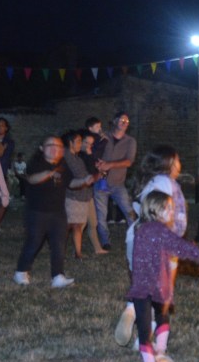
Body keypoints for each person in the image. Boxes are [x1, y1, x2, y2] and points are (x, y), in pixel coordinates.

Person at [115, 145, 188, 362]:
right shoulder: (166, 183)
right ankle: (150, 343)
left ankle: (132, 311)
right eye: (177, 160)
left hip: (136, 238)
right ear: (169, 163)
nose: (180, 164)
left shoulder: (146, 182)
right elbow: (163, 215)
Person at [126, 191, 199, 362]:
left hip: (141, 287)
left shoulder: (140, 229)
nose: (172, 211)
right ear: (155, 209)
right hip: (159, 286)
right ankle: (160, 351)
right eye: (168, 208)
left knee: (144, 329)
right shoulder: (160, 230)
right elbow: (179, 246)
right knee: (162, 316)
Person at [13, 136, 94, 288]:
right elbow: (31, 179)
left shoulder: (63, 165)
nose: (54, 148)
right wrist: (50, 173)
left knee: (59, 244)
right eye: (50, 145)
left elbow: (70, 183)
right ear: (42, 148)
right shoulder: (36, 163)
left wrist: (84, 181)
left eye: (58, 146)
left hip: (58, 211)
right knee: (34, 242)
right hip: (36, 211)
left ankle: (58, 276)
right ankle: (21, 272)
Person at [94, 112, 137, 250]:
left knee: (129, 212)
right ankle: (105, 241)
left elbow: (129, 161)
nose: (125, 122)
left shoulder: (130, 141)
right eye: (122, 119)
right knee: (101, 215)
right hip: (100, 181)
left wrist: (110, 165)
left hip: (118, 184)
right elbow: (92, 152)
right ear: (114, 121)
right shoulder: (104, 137)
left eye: (127, 121)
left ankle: (134, 238)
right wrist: (97, 164)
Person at [62, 130, 104, 258]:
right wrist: (93, 177)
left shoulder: (77, 157)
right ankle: (61, 251)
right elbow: (79, 175)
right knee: (70, 225)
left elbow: (86, 174)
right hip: (73, 195)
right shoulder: (68, 157)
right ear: (71, 143)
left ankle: (78, 252)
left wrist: (95, 175)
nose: (81, 145)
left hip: (83, 195)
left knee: (78, 225)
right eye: (79, 141)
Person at [0, 117, 16, 232]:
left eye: (2, 125)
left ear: (6, 128)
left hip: (1, 172)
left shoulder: (9, 142)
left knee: (4, 200)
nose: (0, 127)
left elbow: (4, 156)